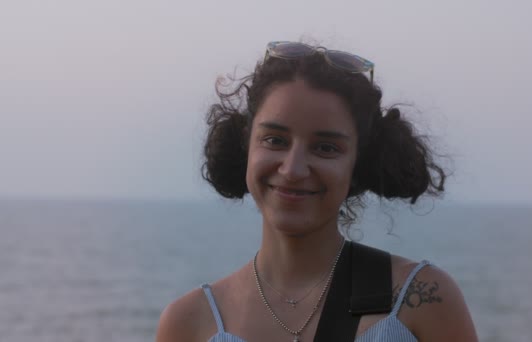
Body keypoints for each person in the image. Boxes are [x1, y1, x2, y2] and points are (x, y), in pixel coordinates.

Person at [156, 41, 477, 342]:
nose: (293, 169)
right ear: (246, 145)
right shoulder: (189, 323)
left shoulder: (421, 299)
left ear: (358, 164)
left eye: (326, 147)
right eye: (275, 140)